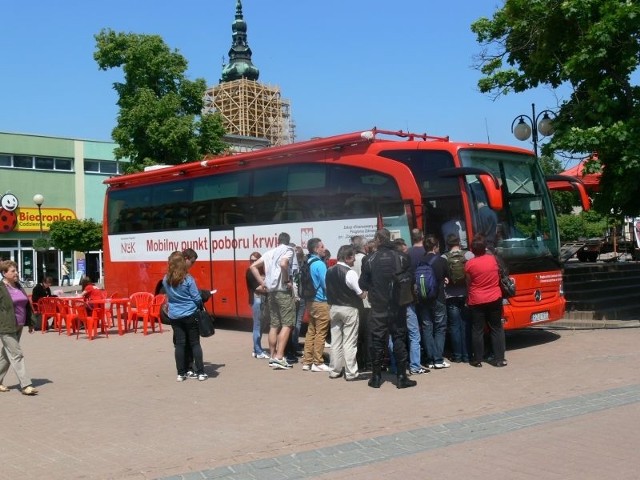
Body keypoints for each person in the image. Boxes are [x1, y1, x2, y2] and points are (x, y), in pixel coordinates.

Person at [359, 228, 417, 389]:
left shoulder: (369, 259)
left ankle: (376, 377)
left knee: (377, 340)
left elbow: (362, 284)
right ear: (389, 238)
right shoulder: (402, 257)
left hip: (378, 305)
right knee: (399, 338)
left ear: (377, 240)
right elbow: (410, 279)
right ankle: (401, 376)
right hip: (397, 305)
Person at [250, 232, 295, 370]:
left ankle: (272, 356)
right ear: (287, 241)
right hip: (283, 291)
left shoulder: (269, 252)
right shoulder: (288, 250)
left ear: (278, 241)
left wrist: (262, 283)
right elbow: (283, 264)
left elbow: (252, 267)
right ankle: (279, 357)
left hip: (271, 293)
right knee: (287, 324)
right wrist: (287, 280)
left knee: (274, 325)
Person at [162, 251, 208, 381]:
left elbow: (169, 296)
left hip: (174, 315)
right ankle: (200, 372)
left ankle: (181, 373)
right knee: (195, 343)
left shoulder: (166, 279)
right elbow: (196, 298)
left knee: (180, 344)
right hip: (189, 314)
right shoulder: (188, 279)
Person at [465, 234, 507, 368]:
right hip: (494, 297)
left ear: (472, 250)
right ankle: (500, 359)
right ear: (485, 248)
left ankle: (477, 359)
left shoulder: (469, 264)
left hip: (476, 299)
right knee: (496, 328)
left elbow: (468, 283)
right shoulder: (494, 259)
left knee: (477, 330)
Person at [326, 245, 367, 381]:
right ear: (348, 257)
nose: (355, 260)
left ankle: (334, 370)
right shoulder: (350, 273)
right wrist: (365, 291)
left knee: (336, 341)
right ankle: (351, 372)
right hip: (349, 308)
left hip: (334, 308)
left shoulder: (329, 270)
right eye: (353, 257)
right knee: (349, 341)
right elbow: (360, 294)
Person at [0, 260, 38, 395]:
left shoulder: (18, 286)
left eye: (16, 270)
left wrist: (31, 322)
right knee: (17, 354)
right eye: (13, 271)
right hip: (6, 326)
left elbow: (26, 305)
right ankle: (26, 385)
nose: (16, 273)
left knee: (6, 354)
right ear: (4, 273)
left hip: (19, 325)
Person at [417, 235, 451, 369]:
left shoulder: (420, 261)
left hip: (424, 298)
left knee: (427, 328)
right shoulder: (441, 260)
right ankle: (438, 359)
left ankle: (430, 360)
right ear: (436, 247)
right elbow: (447, 276)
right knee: (440, 328)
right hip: (439, 298)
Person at [301, 237, 332, 372]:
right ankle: (318, 362)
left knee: (311, 331)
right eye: (322, 247)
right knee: (321, 332)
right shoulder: (320, 264)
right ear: (316, 249)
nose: (324, 249)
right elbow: (326, 285)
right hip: (321, 301)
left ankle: (307, 361)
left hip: (310, 301)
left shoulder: (308, 262)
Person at [443, 234, 472, 363]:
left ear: (447, 244)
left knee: (454, 326)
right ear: (459, 243)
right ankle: (467, 355)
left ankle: (457, 355)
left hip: (450, 295)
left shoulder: (444, 257)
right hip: (465, 294)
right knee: (465, 324)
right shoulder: (468, 255)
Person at [405, 229, 429, 375]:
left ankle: (411, 358)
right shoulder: (426, 252)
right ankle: (424, 357)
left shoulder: (407, 253)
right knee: (424, 326)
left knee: (411, 330)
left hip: (410, 295)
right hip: (425, 294)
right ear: (422, 237)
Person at [351, 236, 371, 371]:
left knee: (357, 334)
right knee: (368, 334)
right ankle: (369, 361)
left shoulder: (351, 260)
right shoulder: (366, 259)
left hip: (354, 302)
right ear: (365, 247)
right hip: (367, 301)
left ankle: (359, 361)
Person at [246, 251, 269, 359]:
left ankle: (256, 349)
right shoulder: (250, 272)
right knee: (257, 326)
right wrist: (269, 286)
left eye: (255, 260)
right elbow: (258, 288)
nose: (253, 262)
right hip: (257, 300)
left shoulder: (262, 271)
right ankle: (258, 351)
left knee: (261, 326)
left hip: (263, 300)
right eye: (251, 260)